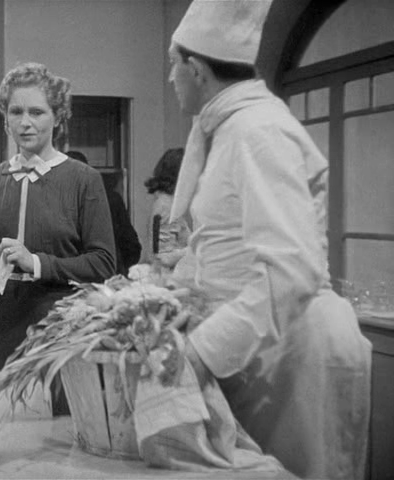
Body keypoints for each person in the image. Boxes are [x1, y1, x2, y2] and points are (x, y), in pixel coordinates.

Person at [167, 1, 371, 479]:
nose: (169, 78)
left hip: (293, 355)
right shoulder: (229, 128)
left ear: (196, 70)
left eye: (172, 65)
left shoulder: (256, 132)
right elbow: (225, 241)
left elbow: (290, 270)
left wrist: (202, 350)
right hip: (260, 347)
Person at [0, 63, 116, 374]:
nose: (25, 123)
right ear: (6, 118)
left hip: (56, 327)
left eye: (36, 112)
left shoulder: (83, 179)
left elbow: (103, 262)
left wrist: (36, 262)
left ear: (57, 117)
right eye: (16, 112)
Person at [66, 150, 141, 275]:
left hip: (73, 275)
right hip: (108, 272)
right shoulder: (111, 198)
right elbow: (131, 245)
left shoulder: (58, 203)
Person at [144, 148, 191, 273]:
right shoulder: (166, 206)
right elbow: (163, 257)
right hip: (168, 278)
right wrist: (197, 247)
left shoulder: (167, 204)